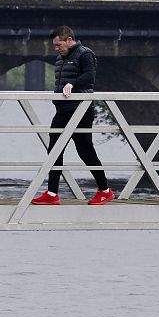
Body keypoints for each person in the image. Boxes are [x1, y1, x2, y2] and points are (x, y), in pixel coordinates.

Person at [31, 25, 116, 206]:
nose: (56, 48)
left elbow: (90, 76)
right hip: (62, 110)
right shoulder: (61, 58)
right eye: (55, 45)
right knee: (54, 149)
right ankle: (52, 193)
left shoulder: (85, 54)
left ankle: (105, 190)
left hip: (81, 109)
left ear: (69, 40)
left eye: (59, 44)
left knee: (85, 150)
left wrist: (73, 84)